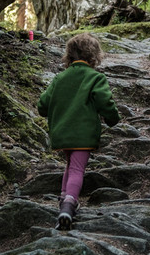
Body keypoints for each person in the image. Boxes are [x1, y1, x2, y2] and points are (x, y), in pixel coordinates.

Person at [37, 33, 120, 230]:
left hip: (62, 133)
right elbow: (104, 102)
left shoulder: (60, 78)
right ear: (94, 57)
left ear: (69, 56)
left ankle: (63, 199)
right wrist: (112, 118)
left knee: (70, 165)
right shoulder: (95, 77)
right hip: (83, 133)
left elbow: (43, 105)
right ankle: (69, 203)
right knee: (76, 169)